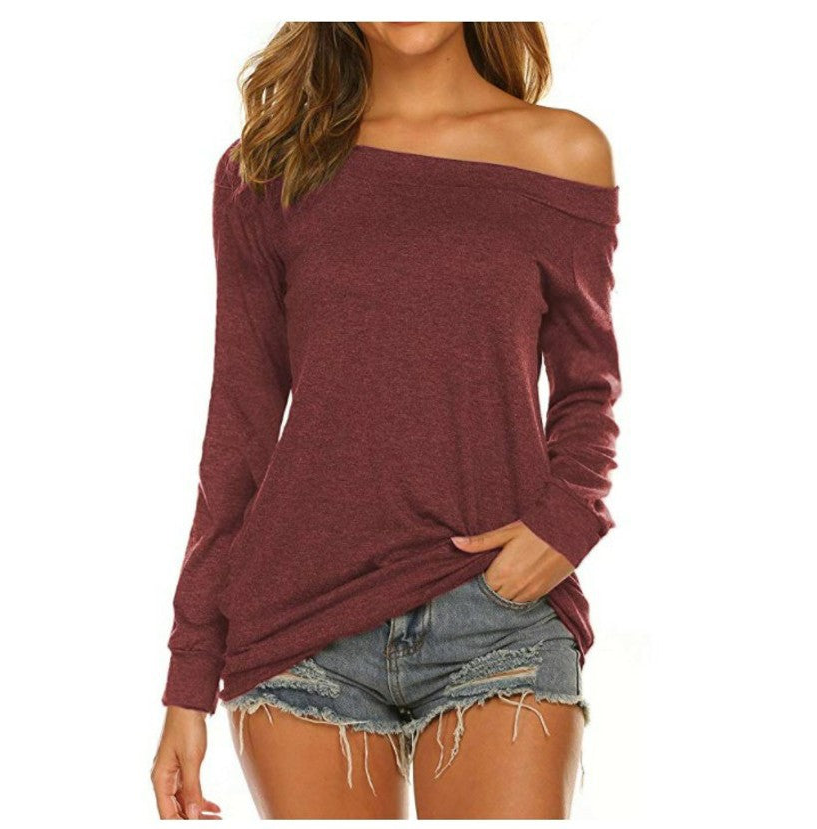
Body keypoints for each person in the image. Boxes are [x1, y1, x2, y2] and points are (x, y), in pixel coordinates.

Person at [150, 21, 621, 820]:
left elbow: (589, 387)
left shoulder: (558, 152)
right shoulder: (268, 168)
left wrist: (566, 522)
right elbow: (238, 430)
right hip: (300, 629)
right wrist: (188, 679)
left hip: (496, 617)